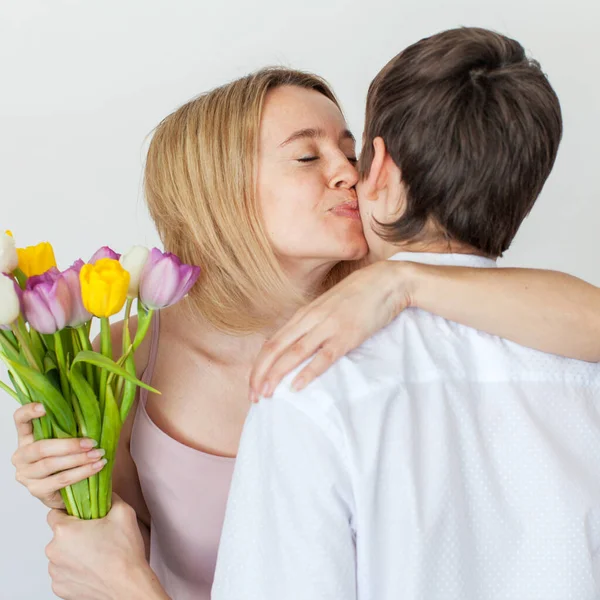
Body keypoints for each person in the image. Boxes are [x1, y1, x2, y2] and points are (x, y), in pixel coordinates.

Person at [13, 62, 599, 599]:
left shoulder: (396, 314)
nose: (348, 173)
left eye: (351, 152)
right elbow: (125, 539)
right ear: (220, 191)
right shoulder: (129, 357)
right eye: (307, 157)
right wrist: (66, 485)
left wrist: (404, 283)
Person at [211, 29, 600, 599]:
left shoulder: (312, 380)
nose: (344, 175)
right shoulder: (581, 367)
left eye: (355, 153)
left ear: (384, 173)